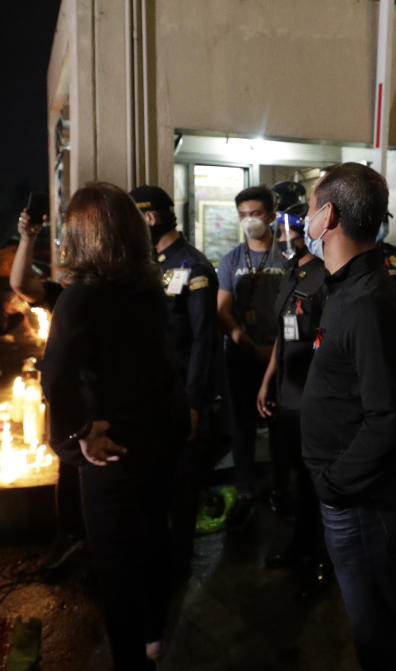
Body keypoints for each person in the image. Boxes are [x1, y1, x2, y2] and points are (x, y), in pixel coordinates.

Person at [39, 182, 189, 669]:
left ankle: (132, 656)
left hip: (114, 452)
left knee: (115, 564)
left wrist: (79, 433)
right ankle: (152, 635)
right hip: (158, 439)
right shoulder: (146, 292)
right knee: (152, 541)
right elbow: (164, 366)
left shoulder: (79, 299)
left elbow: (55, 379)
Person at [300, 162, 396, 670]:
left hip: (362, 503)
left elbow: (386, 417)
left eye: (309, 208)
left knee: (378, 633)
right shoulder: (346, 287)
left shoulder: (366, 301)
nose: (304, 219)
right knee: (372, 622)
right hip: (351, 494)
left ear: (327, 216)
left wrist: (333, 484)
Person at [129, 185, 219, 575]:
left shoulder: (192, 266)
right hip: (150, 396)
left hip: (181, 396)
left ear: (150, 218)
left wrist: (194, 403)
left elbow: (203, 339)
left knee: (182, 486)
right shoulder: (145, 264)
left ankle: (179, 564)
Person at [256, 201, 328, 592]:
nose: (283, 238)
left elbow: (325, 344)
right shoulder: (289, 274)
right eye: (279, 231)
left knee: (314, 480)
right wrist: (268, 380)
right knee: (293, 479)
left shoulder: (323, 278)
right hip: (286, 394)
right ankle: (299, 545)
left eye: (289, 231)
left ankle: (320, 553)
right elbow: (284, 339)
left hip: (311, 400)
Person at [10, 209, 85, 573]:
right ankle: (71, 538)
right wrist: (27, 238)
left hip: (100, 412)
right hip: (71, 410)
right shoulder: (61, 297)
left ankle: (94, 550)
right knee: (68, 474)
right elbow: (22, 285)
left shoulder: (112, 297)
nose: (67, 257)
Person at [216, 185, 286, 520]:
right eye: (243, 215)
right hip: (242, 354)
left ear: (271, 215)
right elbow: (222, 310)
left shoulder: (287, 256)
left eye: (256, 214)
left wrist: (274, 349)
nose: (250, 220)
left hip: (281, 353)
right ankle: (245, 489)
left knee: (280, 424)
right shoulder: (231, 259)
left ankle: (280, 487)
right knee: (242, 425)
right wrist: (246, 342)